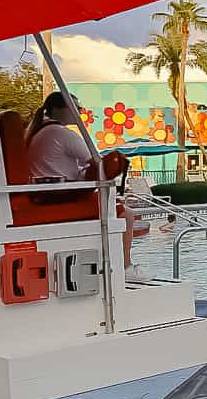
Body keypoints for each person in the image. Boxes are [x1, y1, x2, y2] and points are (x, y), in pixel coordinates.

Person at [27, 91, 135, 274]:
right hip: (60, 195)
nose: (78, 111)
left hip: (45, 193)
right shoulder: (60, 133)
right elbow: (95, 160)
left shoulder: (38, 131)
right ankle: (126, 267)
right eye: (74, 108)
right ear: (57, 109)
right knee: (126, 213)